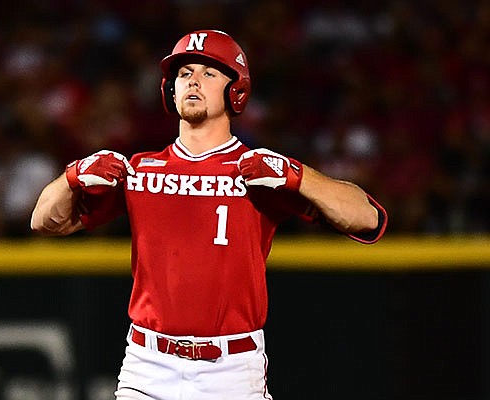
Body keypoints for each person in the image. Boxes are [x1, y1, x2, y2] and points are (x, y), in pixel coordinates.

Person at [31, 29, 387, 400]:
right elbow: (43, 221)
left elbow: (367, 217)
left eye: (208, 72)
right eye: (185, 73)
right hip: (148, 365)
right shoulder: (142, 170)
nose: (193, 81)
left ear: (236, 90)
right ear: (170, 88)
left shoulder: (257, 171)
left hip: (231, 369)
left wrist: (298, 177)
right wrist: (72, 176)